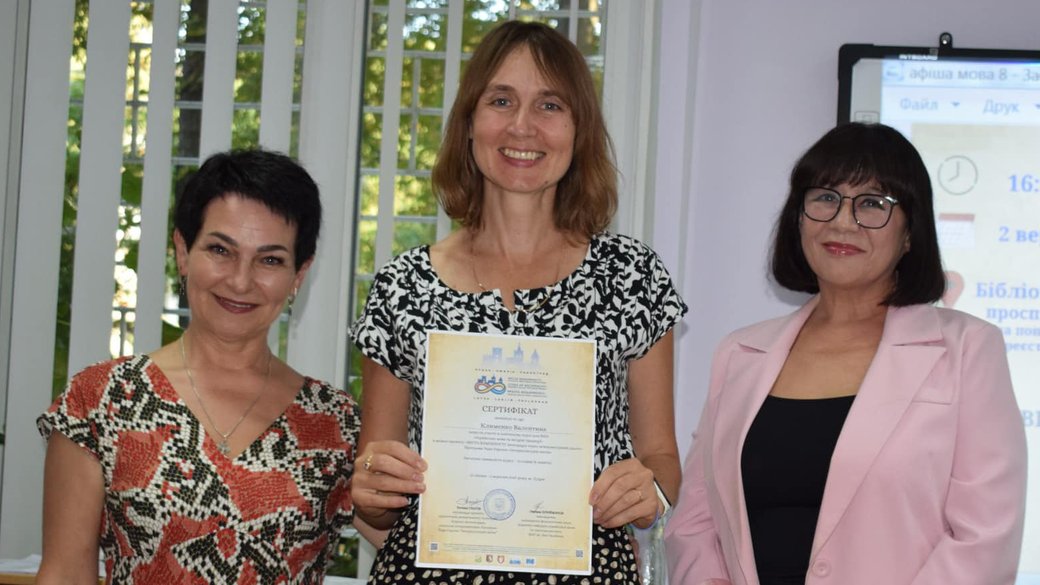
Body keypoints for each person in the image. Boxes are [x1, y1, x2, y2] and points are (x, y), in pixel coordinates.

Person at [350, 20, 687, 584]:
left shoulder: (632, 277)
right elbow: (376, 495)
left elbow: (662, 459)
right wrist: (373, 486)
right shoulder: (402, 287)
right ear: (469, 122)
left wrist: (647, 491)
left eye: (550, 105)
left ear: (579, 130)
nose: (523, 126)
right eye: (501, 100)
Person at [664, 123, 1027, 585]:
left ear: (910, 233)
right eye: (825, 197)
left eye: (872, 203)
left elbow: (984, 538)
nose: (842, 221)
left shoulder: (968, 349)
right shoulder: (740, 353)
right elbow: (695, 523)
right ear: (798, 217)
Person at [36, 150, 361, 584]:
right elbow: (64, 574)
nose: (240, 281)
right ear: (183, 251)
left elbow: (414, 538)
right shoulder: (101, 400)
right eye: (220, 250)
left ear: (299, 274)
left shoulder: (335, 422)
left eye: (270, 260)